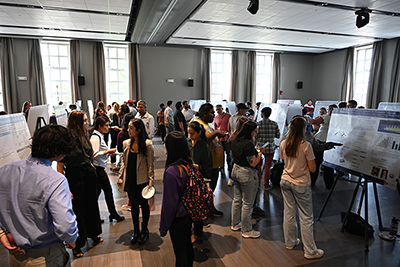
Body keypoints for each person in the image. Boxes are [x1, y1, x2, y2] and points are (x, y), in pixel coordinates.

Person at [0, 125, 78, 267]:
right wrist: (71, 238)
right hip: (46, 257)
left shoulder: (5, 170)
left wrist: (1, 232)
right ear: (61, 151)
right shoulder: (56, 180)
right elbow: (65, 225)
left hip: (14, 256)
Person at [57, 111, 103, 258]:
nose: (87, 122)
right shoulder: (67, 140)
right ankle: (78, 243)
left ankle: (93, 233)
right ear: (76, 122)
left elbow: (88, 154)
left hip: (88, 174)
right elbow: (60, 166)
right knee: (78, 210)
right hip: (75, 176)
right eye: (84, 120)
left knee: (91, 205)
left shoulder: (84, 135)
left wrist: (91, 167)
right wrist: (64, 187)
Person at [279, 117, 324, 260]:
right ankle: (310, 251)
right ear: (304, 129)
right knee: (306, 217)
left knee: (289, 213)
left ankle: (290, 242)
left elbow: (282, 160)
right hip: (301, 184)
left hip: (285, 180)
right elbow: (312, 169)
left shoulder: (284, 143)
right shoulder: (306, 146)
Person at [160, 132, 194, 267]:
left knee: (180, 253)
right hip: (189, 213)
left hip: (178, 218)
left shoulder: (172, 172)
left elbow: (169, 205)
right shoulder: (189, 164)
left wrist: (163, 227)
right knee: (187, 247)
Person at [118, 118, 154, 245]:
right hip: (131, 179)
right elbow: (124, 161)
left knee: (144, 206)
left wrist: (151, 182)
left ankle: (144, 230)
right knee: (133, 206)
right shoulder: (126, 143)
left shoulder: (147, 144)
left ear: (138, 130)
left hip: (143, 180)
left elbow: (150, 164)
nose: (128, 130)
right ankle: (136, 230)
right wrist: (121, 177)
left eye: (131, 128)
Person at [230, 121, 266, 238]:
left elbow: (232, 155)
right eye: (255, 131)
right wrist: (260, 153)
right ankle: (246, 230)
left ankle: (235, 224)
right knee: (248, 203)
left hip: (236, 170)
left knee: (237, 199)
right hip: (247, 174)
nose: (256, 133)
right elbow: (253, 163)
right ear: (250, 131)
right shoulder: (248, 144)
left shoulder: (235, 139)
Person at [91, 116, 125, 223]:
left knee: (97, 193)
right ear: (99, 126)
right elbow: (94, 154)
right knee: (107, 191)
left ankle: (95, 217)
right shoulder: (96, 137)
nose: (108, 127)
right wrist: (107, 152)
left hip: (99, 168)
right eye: (106, 125)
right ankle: (112, 214)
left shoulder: (99, 136)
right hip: (98, 169)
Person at [196, 103, 226, 216]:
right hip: (207, 164)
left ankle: (210, 207)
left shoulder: (206, 124)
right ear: (204, 114)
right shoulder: (198, 124)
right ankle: (203, 211)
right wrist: (217, 132)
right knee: (205, 189)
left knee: (211, 189)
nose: (213, 115)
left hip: (214, 164)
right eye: (211, 112)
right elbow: (203, 139)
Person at [187, 121, 213, 243]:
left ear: (199, 133)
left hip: (198, 180)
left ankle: (197, 233)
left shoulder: (204, 146)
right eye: (189, 133)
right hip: (187, 179)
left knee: (197, 207)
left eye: (192, 134)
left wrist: (196, 166)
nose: (190, 136)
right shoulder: (187, 143)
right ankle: (189, 230)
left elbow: (208, 167)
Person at [306, 104, 338, 187]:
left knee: (316, 161)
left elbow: (313, 121)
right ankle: (329, 183)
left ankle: (312, 181)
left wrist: (307, 117)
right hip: (331, 139)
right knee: (328, 163)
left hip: (321, 139)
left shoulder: (326, 117)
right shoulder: (337, 118)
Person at [256, 107, 280, 190]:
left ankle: (258, 183)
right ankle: (266, 184)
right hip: (270, 148)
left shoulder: (258, 124)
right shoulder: (274, 124)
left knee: (258, 165)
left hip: (259, 147)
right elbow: (278, 135)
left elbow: (255, 136)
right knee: (267, 166)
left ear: (262, 113)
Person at [214, 104, 231, 179]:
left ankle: (229, 167)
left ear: (222, 109)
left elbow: (231, 126)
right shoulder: (216, 118)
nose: (218, 111)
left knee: (228, 153)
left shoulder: (228, 116)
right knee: (221, 154)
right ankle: (221, 167)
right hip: (219, 138)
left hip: (227, 138)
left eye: (219, 109)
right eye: (217, 110)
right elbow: (215, 127)